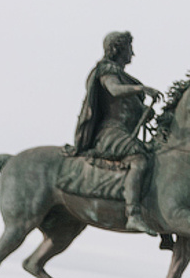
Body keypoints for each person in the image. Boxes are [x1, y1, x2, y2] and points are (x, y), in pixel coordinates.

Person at [68, 31, 165, 234]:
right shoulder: (107, 70)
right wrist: (142, 89)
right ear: (118, 49)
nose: (133, 53)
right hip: (109, 133)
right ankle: (133, 215)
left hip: (123, 132)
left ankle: (159, 216)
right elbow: (114, 90)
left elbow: (129, 108)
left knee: (158, 157)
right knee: (139, 159)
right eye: (130, 48)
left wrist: (145, 113)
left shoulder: (125, 77)